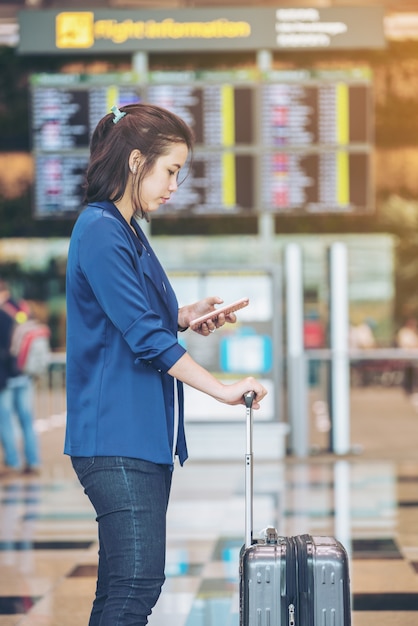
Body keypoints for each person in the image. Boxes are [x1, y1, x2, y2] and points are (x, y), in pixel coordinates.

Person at [65, 103, 268, 626]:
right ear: (136, 161)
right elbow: (142, 338)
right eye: (171, 170)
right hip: (115, 436)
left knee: (119, 586)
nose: (174, 184)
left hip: (138, 435)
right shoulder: (100, 229)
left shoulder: (127, 230)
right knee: (137, 582)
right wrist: (220, 389)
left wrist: (183, 315)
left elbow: (132, 319)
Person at [0, 280, 41, 475]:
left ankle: (13, 462)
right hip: (24, 373)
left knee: (5, 419)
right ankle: (33, 461)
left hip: (6, 377)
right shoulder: (22, 308)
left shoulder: (2, 314)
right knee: (26, 419)